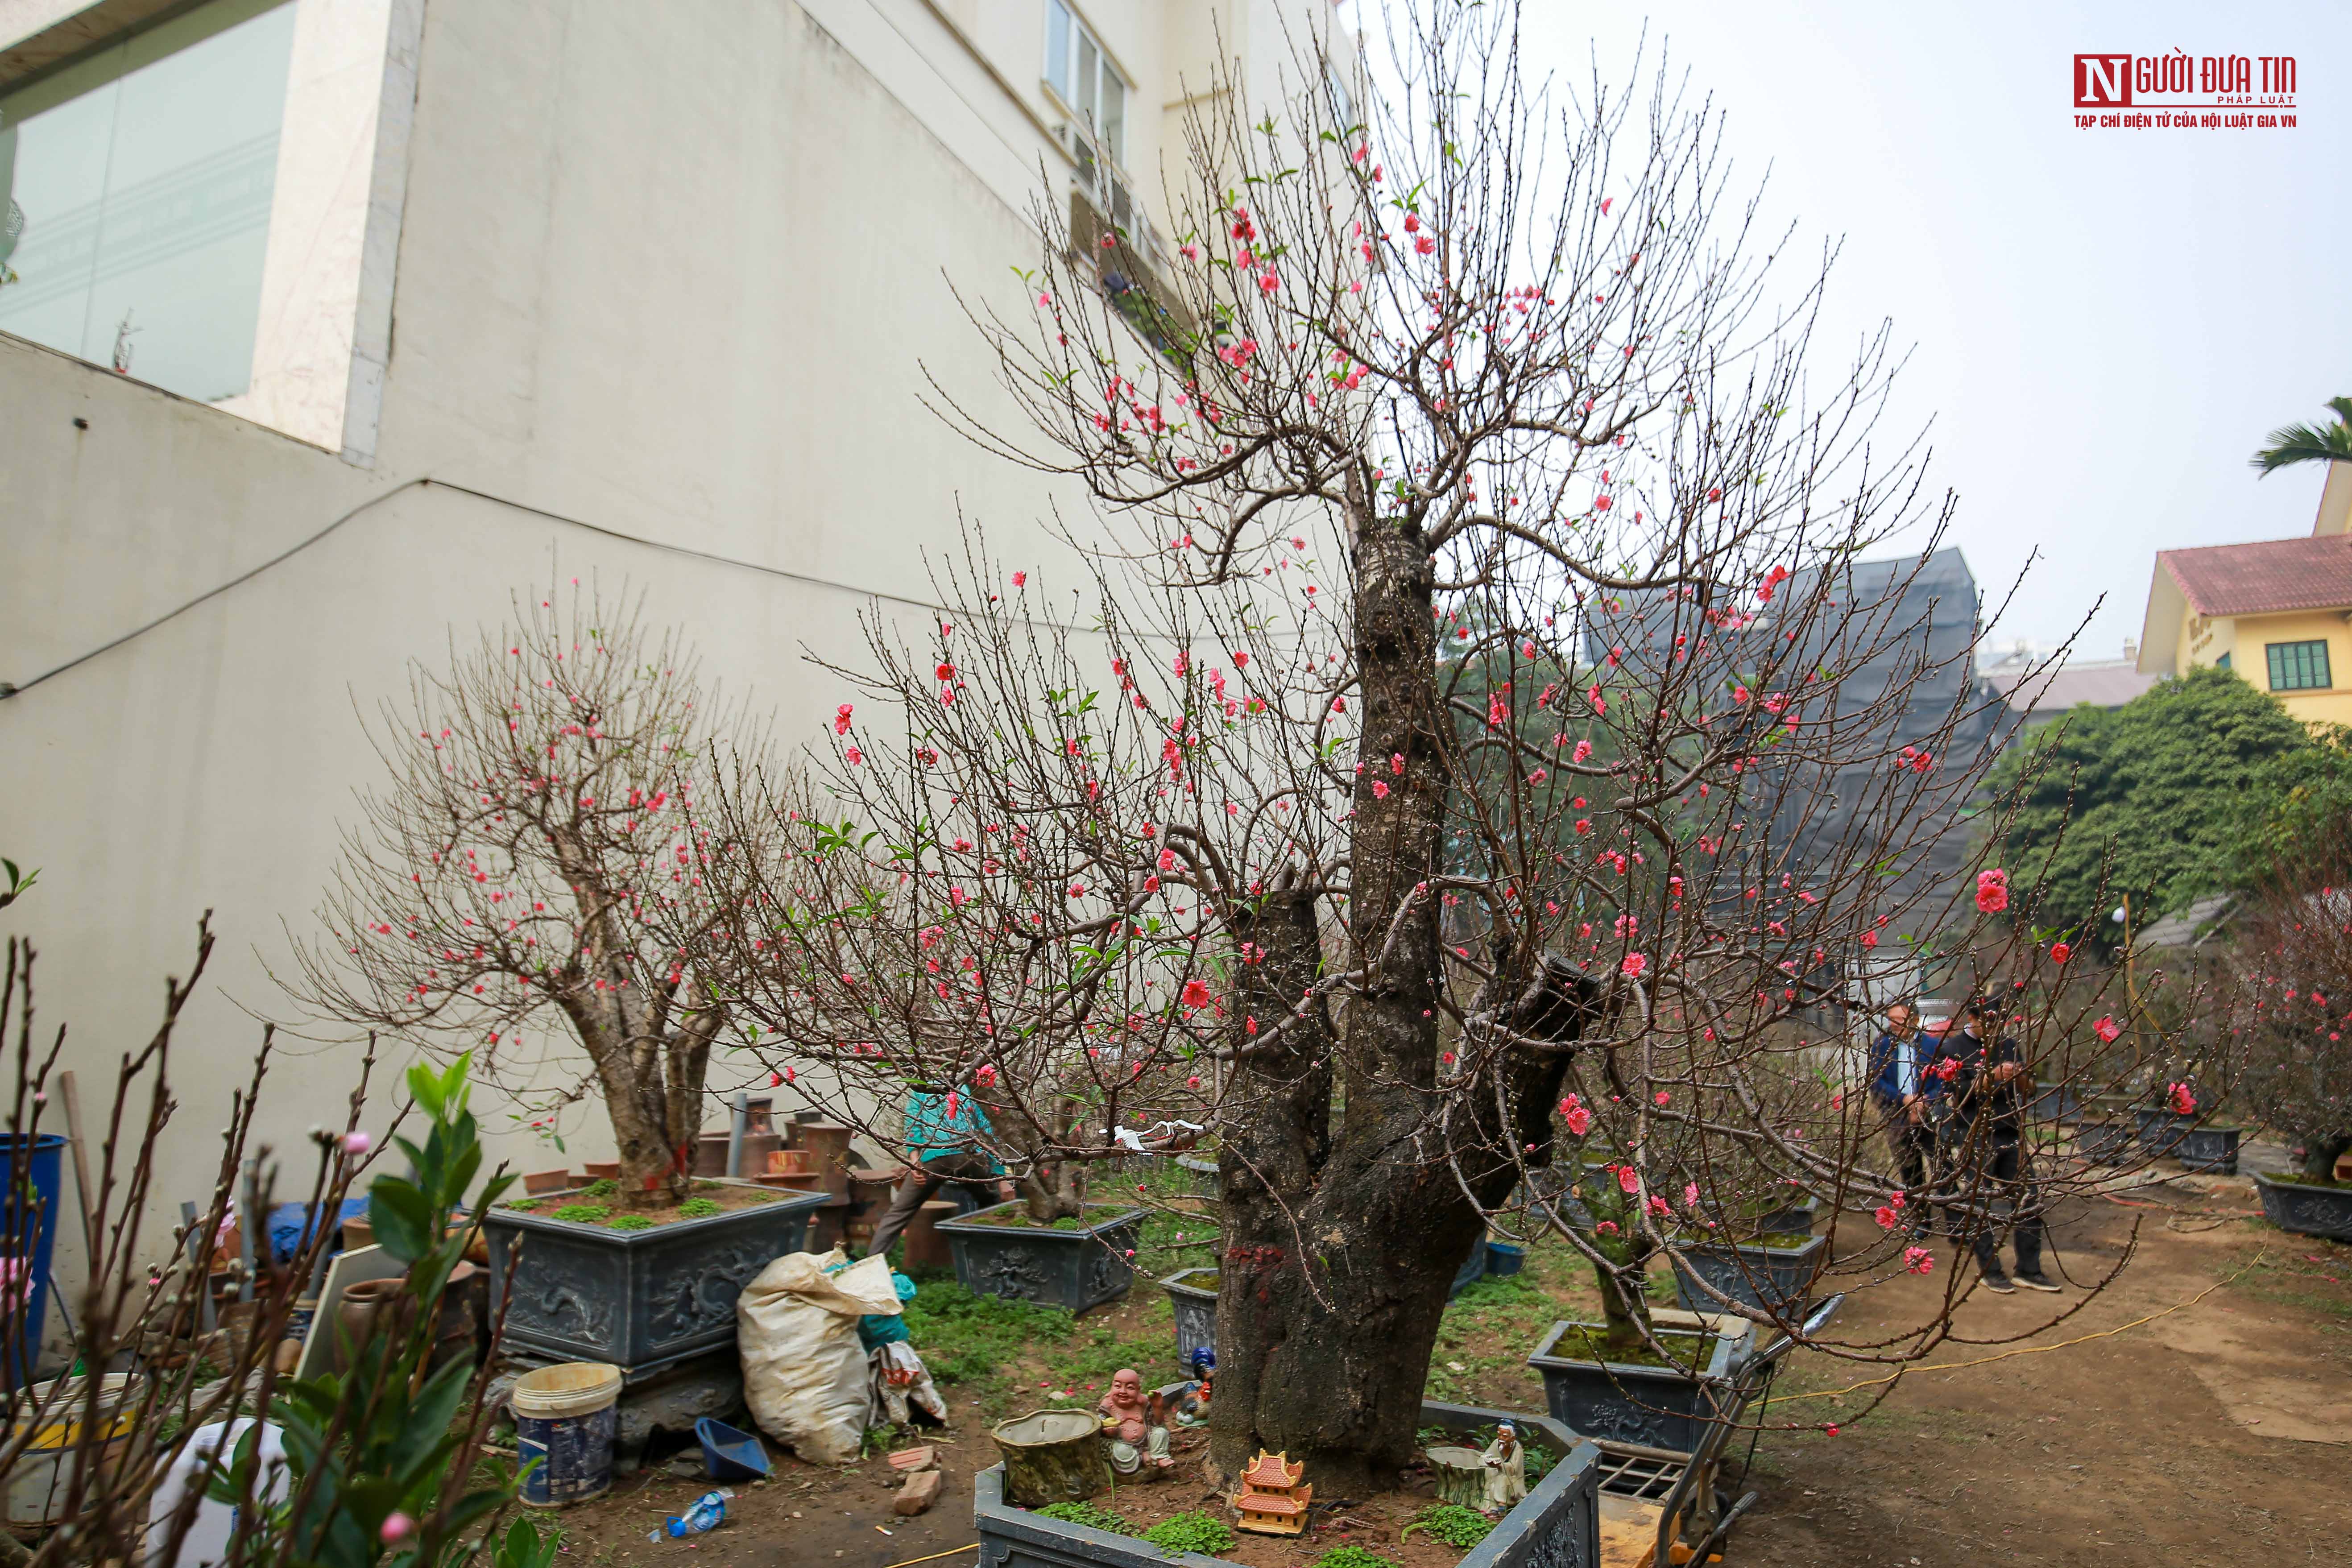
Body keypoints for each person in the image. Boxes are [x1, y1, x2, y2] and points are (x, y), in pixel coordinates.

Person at [1947, 997, 2060, 1294]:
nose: (1996, 1027)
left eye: (2000, 1021)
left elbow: (2030, 1089)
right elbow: (1958, 1094)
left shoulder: (2009, 1045)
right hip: (1975, 1135)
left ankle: (2029, 1268)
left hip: (2011, 1133)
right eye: (1990, 1020)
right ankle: (1990, 1269)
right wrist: (1989, 1078)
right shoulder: (1953, 1049)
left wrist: (2021, 1076)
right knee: (1979, 1203)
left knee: (2029, 1200)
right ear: (1972, 1018)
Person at [863, 1079, 1015, 1261]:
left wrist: (915, 1163)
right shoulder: (969, 1087)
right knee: (991, 1203)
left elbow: (912, 1126)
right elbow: (989, 1132)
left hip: (934, 1157)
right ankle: (999, 1260)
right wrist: (1002, 1179)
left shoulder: (922, 1088)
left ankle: (871, 1264)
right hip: (970, 1156)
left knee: (900, 1212)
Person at [1865, 1003, 1937, 1202]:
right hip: (1896, 1115)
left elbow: (1943, 1083)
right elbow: (1876, 1083)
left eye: (1900, 1020)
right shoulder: (1882, 1046)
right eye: (1891, 1020)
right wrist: (1905, 1100)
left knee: (1941, 1165)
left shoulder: (1932, 1046)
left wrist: (1924, 1103)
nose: (1894, 1025)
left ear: (1914, 1020)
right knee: (1909, 1169)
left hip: (1930, 1114)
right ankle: (1919, 1217)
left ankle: (1954, 1214)